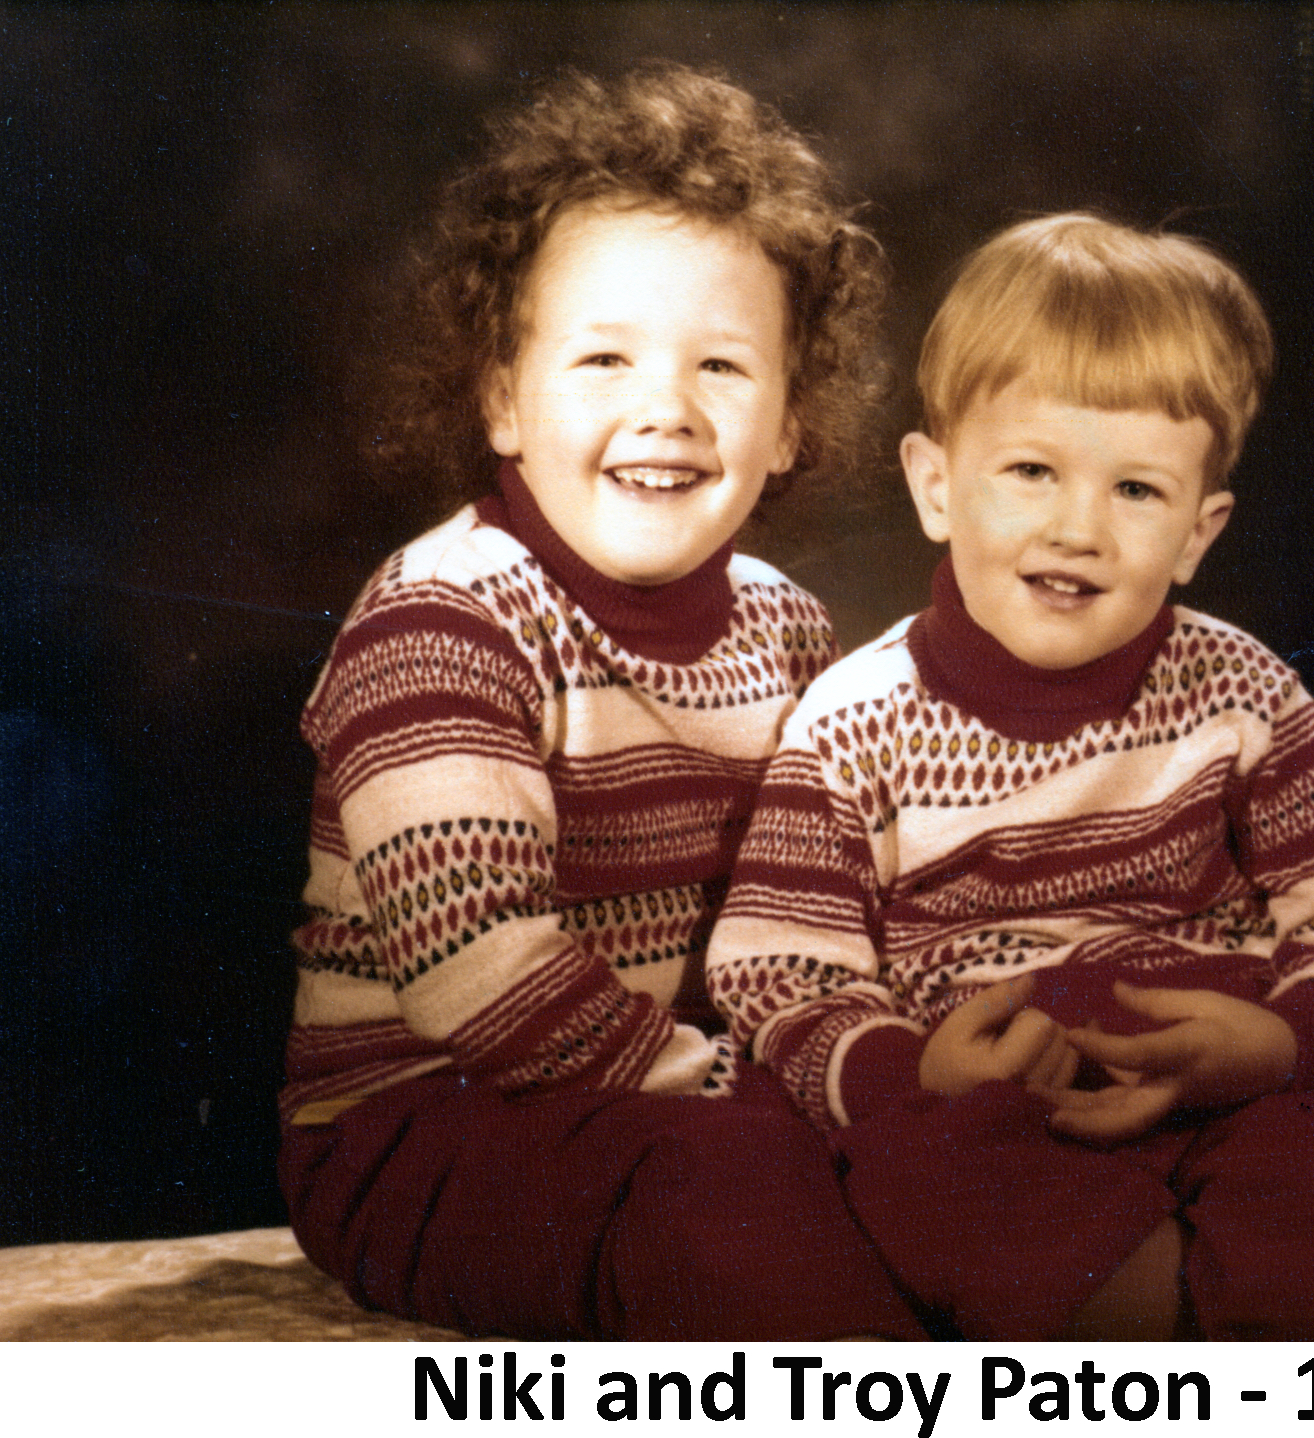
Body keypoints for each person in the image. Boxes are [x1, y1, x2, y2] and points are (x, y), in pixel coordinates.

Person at [706, 212, 1314, 1341]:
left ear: (1200, 532)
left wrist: (1278, 1039)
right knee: (928, 1193)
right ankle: (1207, 1323)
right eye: (1030, 471)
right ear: (936, 483)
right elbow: (780, 971)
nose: (1080, 528)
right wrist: (914, 1072)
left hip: (1231, 1087)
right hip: (994, 1108)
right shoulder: (853, 722)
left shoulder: (1239, 691)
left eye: (1138, 492)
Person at [275, 62, 924, 1342]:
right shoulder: (443, 617)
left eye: (724, 368)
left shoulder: (791, 628)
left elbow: (841, 896)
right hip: (426, 1120)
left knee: (939, 1162)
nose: (665, 410)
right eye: (604, 356)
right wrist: (760, 1096)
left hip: (689, 1101)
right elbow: (487, 983)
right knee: (735, 1189)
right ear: (504, 398)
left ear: (793, 421)